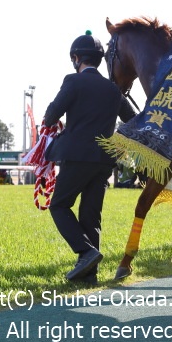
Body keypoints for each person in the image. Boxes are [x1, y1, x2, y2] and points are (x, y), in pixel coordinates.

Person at [44, 30, 135, 284]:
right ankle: (89, 275)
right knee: (91, 216)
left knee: (59, 205)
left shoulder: (72, 81)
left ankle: (85, 252)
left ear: (76, 58)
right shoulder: (114, 90)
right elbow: (132, 120)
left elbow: (51, 116)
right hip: (104, 161)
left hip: (77, 156)